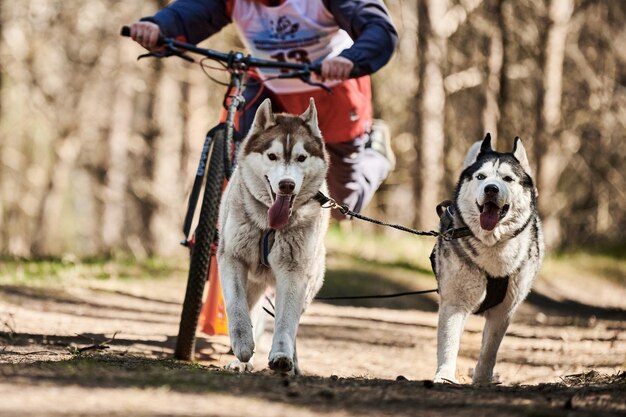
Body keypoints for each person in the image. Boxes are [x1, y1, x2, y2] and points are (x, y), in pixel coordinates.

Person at [130, 0, 398, 219]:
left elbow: (379, 28)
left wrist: (350, 59)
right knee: (245, 151)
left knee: (342, 206)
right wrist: (157, 27)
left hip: (334, 99)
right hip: (270, 92)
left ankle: (375, 155)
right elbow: (191, 12)